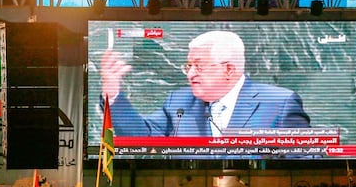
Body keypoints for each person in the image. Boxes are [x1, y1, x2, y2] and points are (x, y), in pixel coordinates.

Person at [100, 30, 310, 137]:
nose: (190, 73)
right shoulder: (179, 102)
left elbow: (304, 159)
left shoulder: (280, 103)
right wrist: (113, 93)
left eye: (199, 66)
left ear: (229, 69)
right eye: (188, 65)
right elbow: (142, 136)